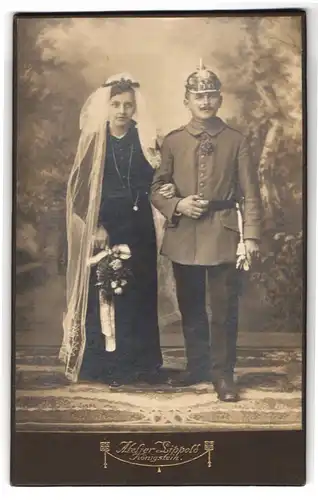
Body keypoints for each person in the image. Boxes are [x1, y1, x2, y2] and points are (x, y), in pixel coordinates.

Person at [151, 62, 261, 402]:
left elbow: (251, 193)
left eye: (211, 95)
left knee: (224, 306)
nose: (205, 101)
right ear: (186, 100)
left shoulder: (236, 140)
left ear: (220, 99)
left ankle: (223, 374)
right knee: (191, 306)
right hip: (184, 232)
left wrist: (252, 236)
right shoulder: (173, 141)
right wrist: (177, 206)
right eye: (198, 95)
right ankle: (197, 365)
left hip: (223, 231)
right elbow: (156, 188)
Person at [60, 73, 174, 387]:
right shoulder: (96, 141)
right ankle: (106, 364)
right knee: (107, 292)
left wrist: (165, 189)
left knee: (139, 291)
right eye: (116, 104)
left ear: (135, 107)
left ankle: (143, 363)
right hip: (105, 228)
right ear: (106, 107)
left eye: (128, 105)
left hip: (139, 227)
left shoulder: (147, 140)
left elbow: (162, 177)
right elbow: (78, 191)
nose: (122, 110)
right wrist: (95, 225)